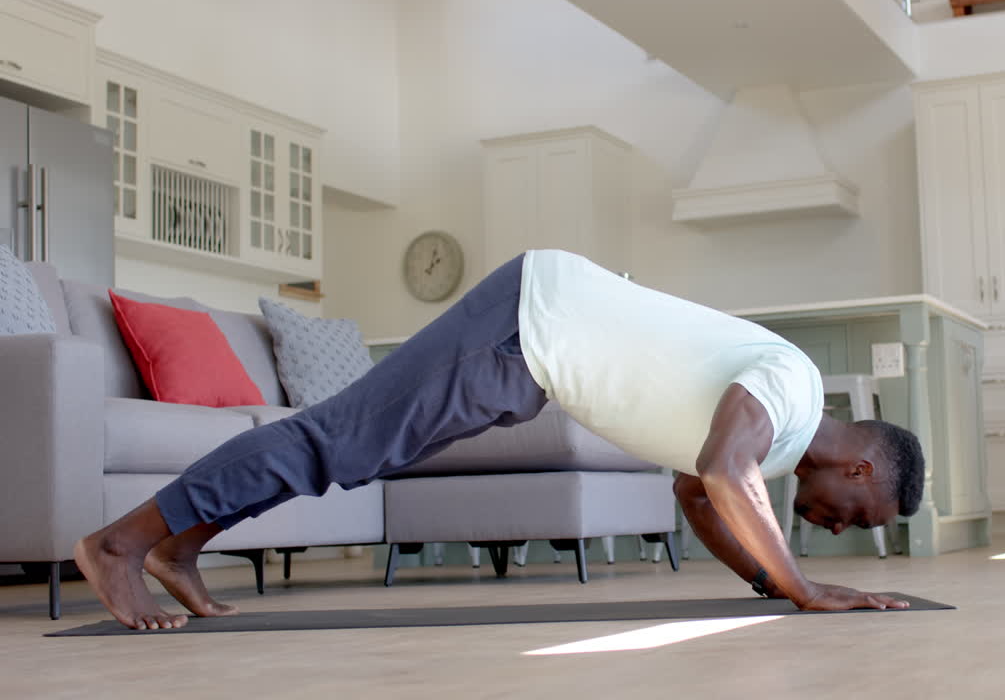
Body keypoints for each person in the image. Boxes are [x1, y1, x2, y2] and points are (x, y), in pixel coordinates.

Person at [75, 250, 926, 630]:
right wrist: (803, 586)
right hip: (522, 330)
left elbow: (695, 494)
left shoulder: (776, 444)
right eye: (861, 514)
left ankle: (178, 544)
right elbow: (719, 469)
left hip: (528, 348)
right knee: (332, 441)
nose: (844, 527)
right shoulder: (795, 389)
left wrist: (764, 581)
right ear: (858, 465)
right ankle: (124, 541)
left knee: (346, 450)